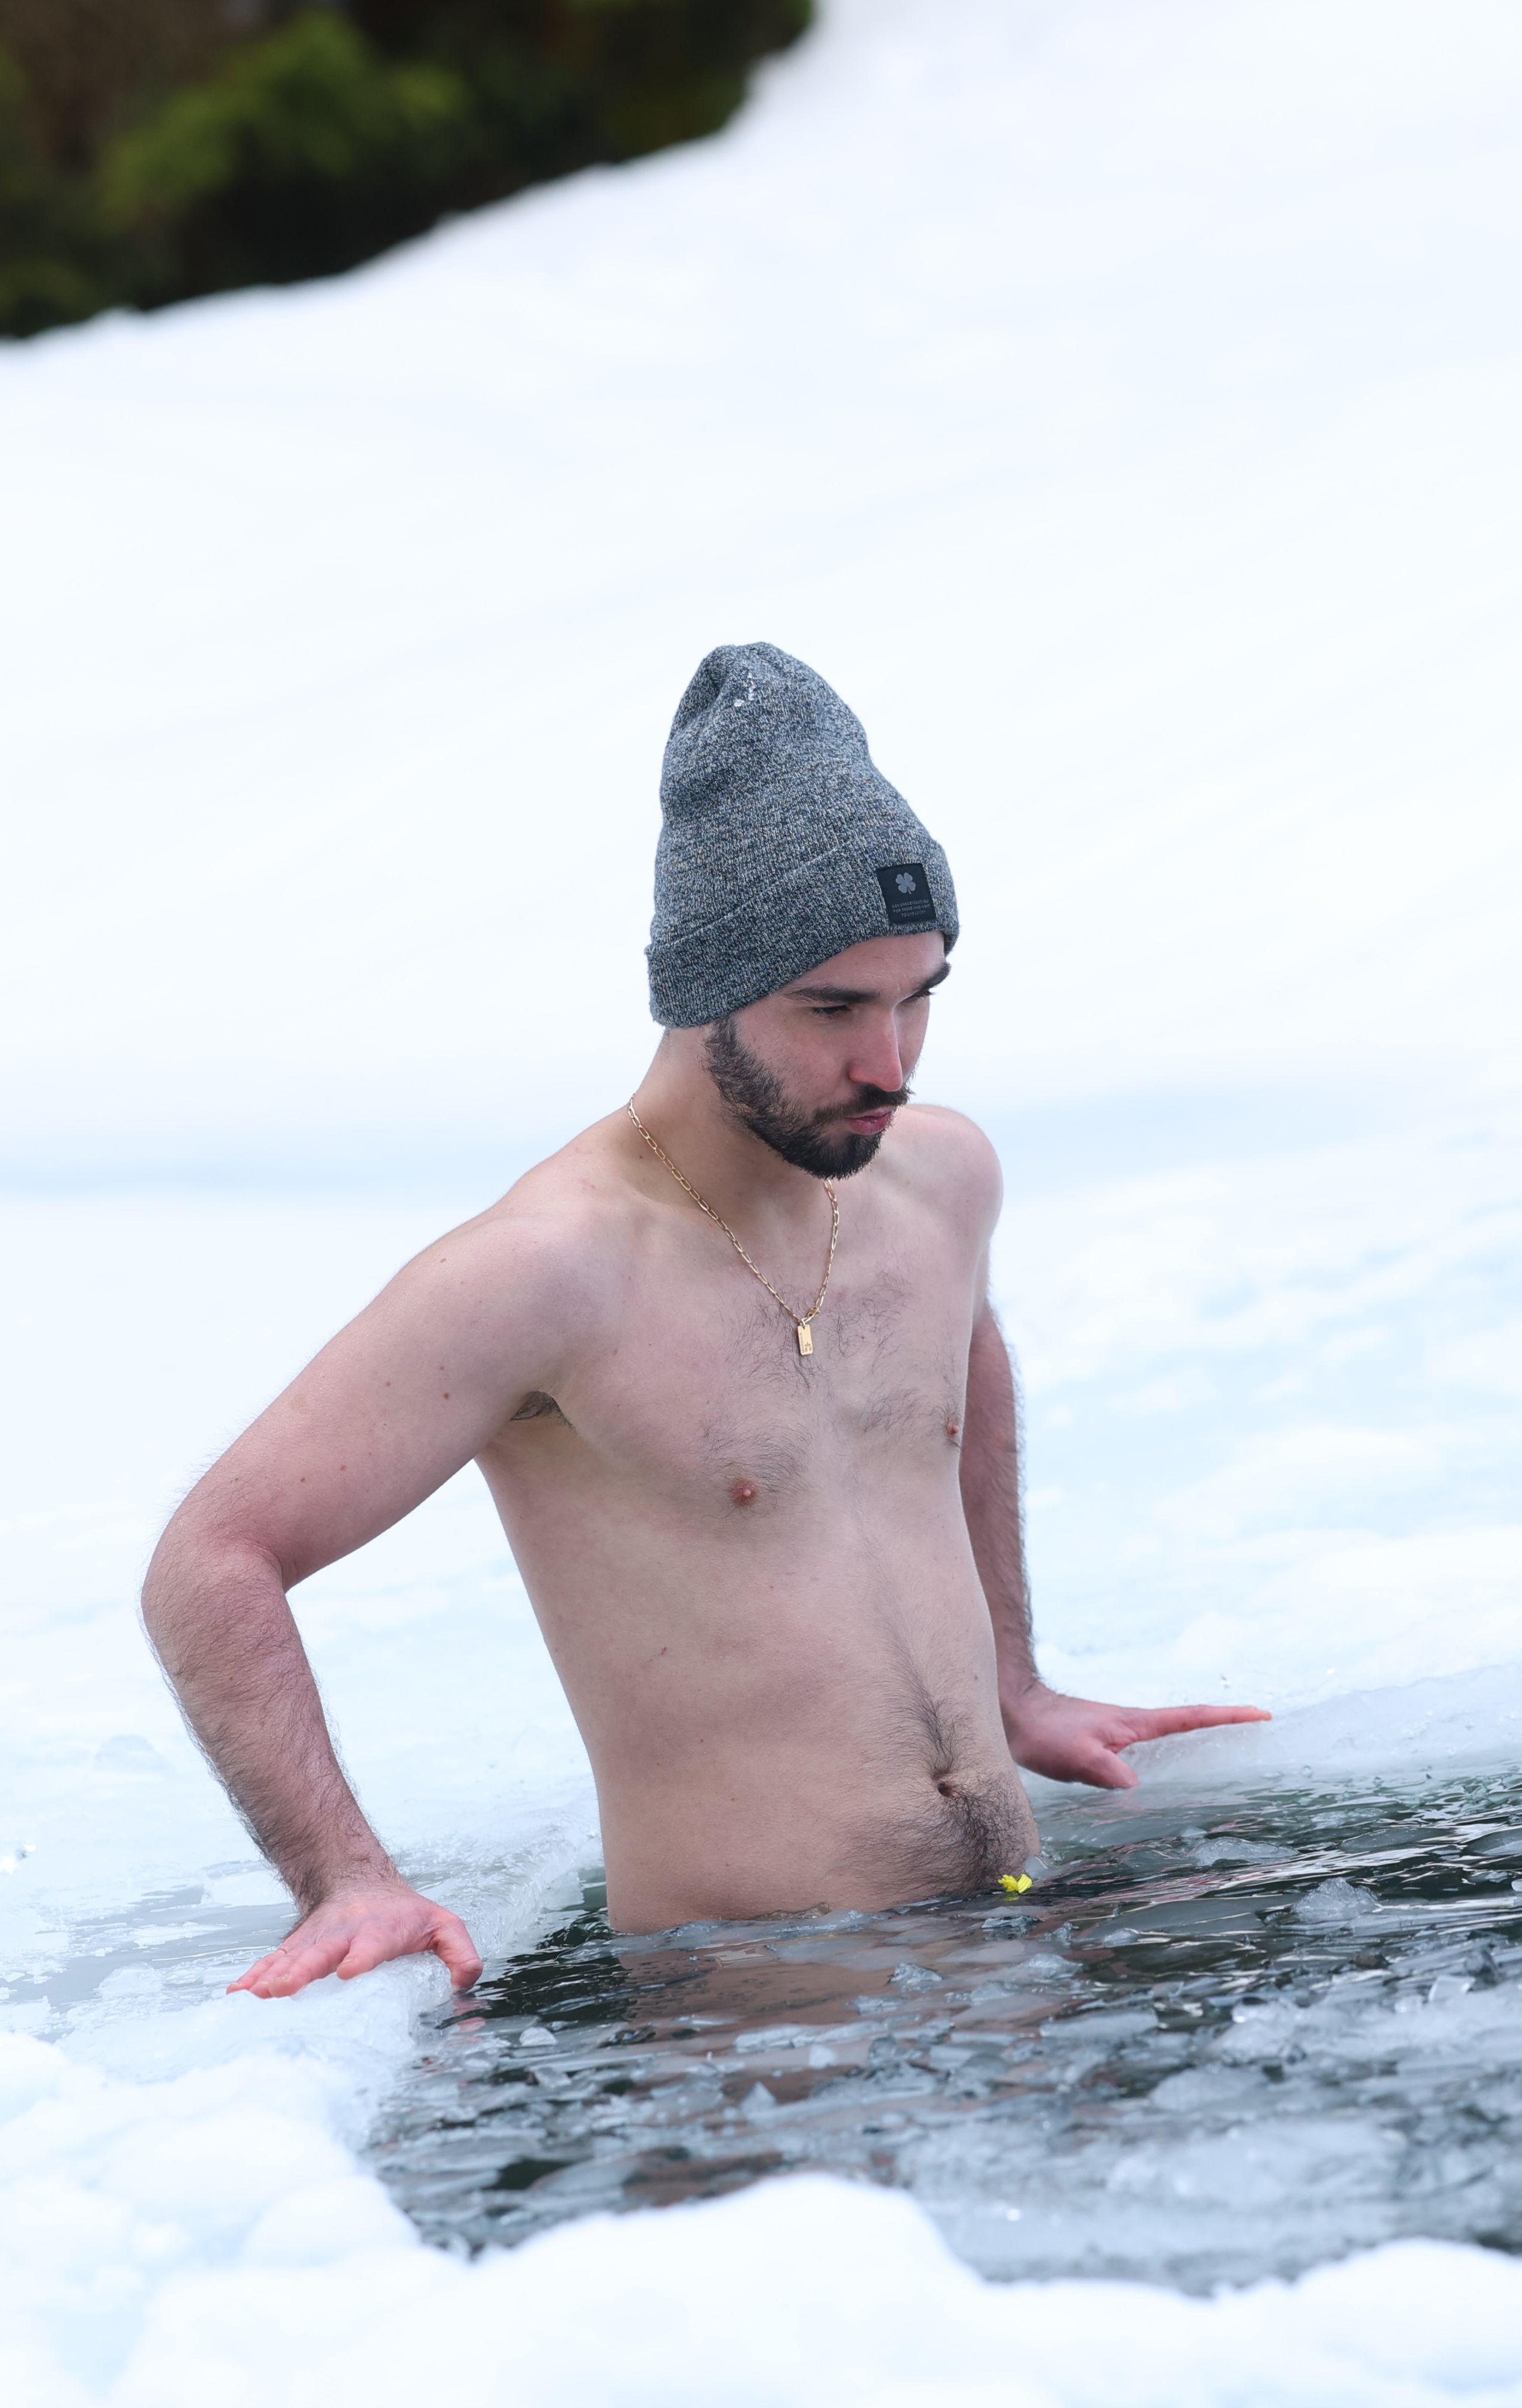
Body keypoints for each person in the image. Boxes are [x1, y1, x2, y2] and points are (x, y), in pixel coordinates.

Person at [141, 643, 1267, 2000]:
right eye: (833, 1008)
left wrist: (1013, 1682)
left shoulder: (940, 1181)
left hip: (1011, 1942)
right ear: (703, 992)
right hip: (749, 2014)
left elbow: (958, 1374)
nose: (889, 1065)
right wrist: (347, 1877)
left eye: (919, 998)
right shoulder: (550, 1270)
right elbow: (214, 1557)